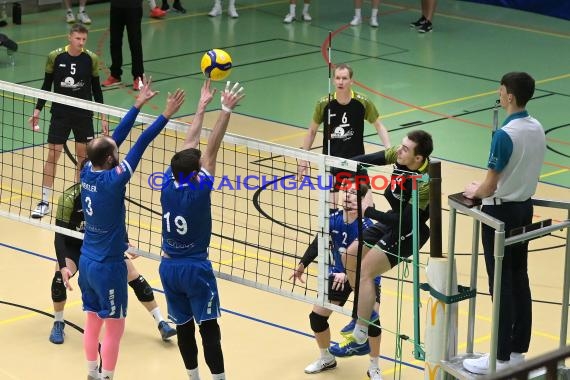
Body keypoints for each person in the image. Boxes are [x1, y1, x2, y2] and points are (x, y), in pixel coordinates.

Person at [75, 76, 185, 380]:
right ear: (110, 158)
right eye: (113, 149)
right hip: (109, 267)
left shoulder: (87, 170)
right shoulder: (113, 180)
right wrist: (165, 114)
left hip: (87, 260)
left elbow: (117, 141)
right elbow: (141, 143)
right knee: (114, 327)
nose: (117, 147)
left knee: (92, 320)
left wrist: (137, 104)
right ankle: (107, 376)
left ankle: (92, 373)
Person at [158, 79, 244, 380]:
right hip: (195, 268)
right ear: (195, 173)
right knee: (209, 328)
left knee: (183, 327)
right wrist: (224, 110)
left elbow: (189, 146)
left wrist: (200, 107)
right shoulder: (198, 191)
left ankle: (193, 377)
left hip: (168, 268)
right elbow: (211, 147)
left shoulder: (167, 184)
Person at [461, 72, 545, 375]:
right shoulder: (537, 127)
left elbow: (490, 186)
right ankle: (518, 350)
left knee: (501, 284)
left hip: (500, 215)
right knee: (519, 278)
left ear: (509, 96)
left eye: (501, 91)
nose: (499, 94)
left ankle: (498, 357)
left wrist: (475, 191)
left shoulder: (505, 135)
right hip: (525, 209)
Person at [48, 180, 176, 345]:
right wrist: (63, 266)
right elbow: (59, 236)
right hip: (74, 248)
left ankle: (161, 322)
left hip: (102, 247)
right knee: (59, 279)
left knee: (134, 276)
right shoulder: (68, 198)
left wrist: (126, 242)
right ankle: (58, 322)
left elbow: (118, 222)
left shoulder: (108, 194)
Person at [342, 131, 433, 351]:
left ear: (418, 159)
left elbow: (406, 221)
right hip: (393, 218)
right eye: (401, 146)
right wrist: (339, 164)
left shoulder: (425, 181)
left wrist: (369, 211)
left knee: (366, 270)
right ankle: (366, 313)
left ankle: (362, 334)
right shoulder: (400, 155)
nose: (398, 150)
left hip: (411, 229)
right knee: (349, 256)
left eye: (405, 149)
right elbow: (364, 161)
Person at [290, 182, 384, 379]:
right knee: (316, 317)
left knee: (372, 321)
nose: (348, 196)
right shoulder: (332, 219)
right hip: (339, 276)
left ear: (361, 200)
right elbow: (319, 242)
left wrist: (349, 272)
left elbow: (368, 261)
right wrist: (302, 264)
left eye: (353, 193)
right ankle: (327, 358)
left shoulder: (367, 227)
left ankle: (374, 366)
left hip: (365, 277)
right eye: (346, 192)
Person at [29, 23, 108, 219]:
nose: (81, 43)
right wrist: (37, 110)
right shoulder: (55, 56)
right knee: (53, 154)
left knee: (83, 158)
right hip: (60, 113)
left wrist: (103, 115)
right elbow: (46, 85)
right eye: (77, 39)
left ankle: (79, 201)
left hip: (83, 114)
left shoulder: (91, 58)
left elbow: (96, 89)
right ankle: (44, 201)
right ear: (69, 38)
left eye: (84, 40)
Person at [297, 63, 391, 203]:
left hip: (357, 161)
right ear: (334, 80)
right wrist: (303, 159)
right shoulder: (324, 103)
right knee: (330, 214)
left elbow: (379, 126)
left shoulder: (362, 102)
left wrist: (389, 150)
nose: (341, 82)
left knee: (367, 206)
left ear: (351, 81)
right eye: (338, 78)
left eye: (344, 78)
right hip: (331, 162)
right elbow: (312, 131)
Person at [102, 0, 146, 91]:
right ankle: (115, 75)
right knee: (115, 41)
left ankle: (138, 77)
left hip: (133, 7)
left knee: (135, 43)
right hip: (116, 6)